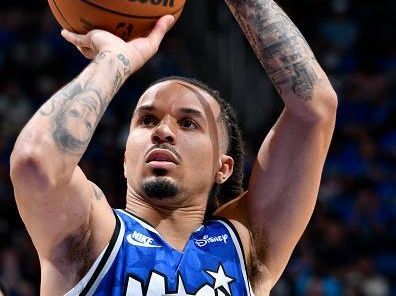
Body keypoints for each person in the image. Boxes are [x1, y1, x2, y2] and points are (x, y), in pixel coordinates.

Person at [10, 0, 337, 295]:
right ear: (125, 158)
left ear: (222, 168)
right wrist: (116, 59)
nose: (163, 131)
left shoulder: (248, 248)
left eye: (189, 123)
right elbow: (34, 163)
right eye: (147, 120)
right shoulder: (89, 236)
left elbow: (314, 110)